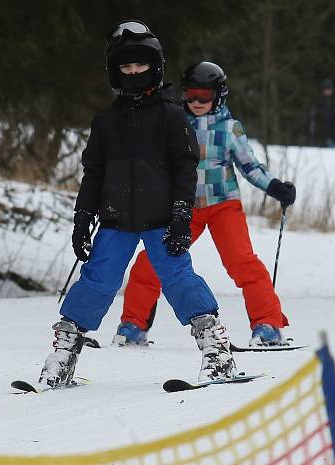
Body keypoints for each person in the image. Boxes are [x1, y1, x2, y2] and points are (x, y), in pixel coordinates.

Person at [38, 22, 239, 388]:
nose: (133, 72)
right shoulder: (106, 122)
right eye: (125, 67)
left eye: (140, 65)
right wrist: (82, 218)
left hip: (162, 219)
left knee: (179, 279)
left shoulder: (172, 116)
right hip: (115, 220)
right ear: (115, 71)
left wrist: (181, 215)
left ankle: (217, 352)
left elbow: (184, 169)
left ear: (155, 67)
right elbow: (93, 173)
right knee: (97, 281)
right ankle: (62, 357)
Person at [113, 61, 296, 349]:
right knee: (149, 263)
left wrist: (275, 188)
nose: (196, 102)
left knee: (242, 262)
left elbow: (250, 167)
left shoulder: (229, 128)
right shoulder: (172, 122)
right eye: (190, 95)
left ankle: (268, 325)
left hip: (224, 206)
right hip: (184, 208)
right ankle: (133, 326)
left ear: (219, 95)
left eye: (204, 96)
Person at [308, 78, 335, 148]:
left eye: (329, 89)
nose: (327, 91)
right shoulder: (320, 101)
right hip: (325, 132)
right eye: (326, 90)